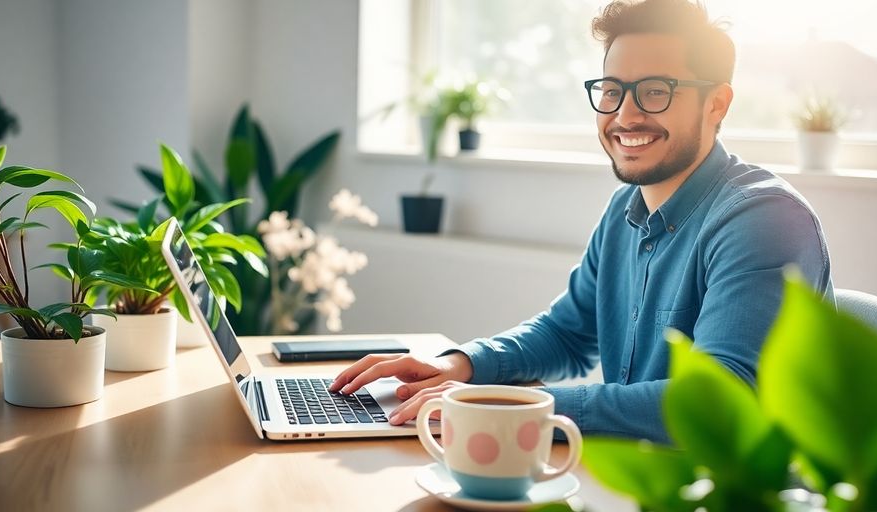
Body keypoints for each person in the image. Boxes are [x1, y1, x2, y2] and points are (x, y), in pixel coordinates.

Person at [330, 0, 833, 443]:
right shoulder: (625, 209)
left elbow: (722, 400)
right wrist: (458, 365)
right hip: (639, 475)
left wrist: (513, 408)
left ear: (717, 103)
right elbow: (567, 335)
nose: (625, 116)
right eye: (612, 90)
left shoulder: (763, 220)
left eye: (655, 91)